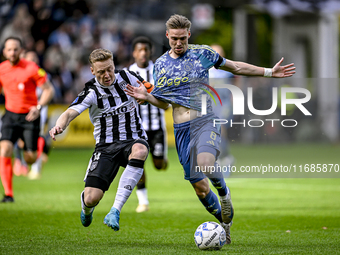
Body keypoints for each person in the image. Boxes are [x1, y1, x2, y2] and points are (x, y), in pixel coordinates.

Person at [125, 14, 296, 244]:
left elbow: (234, 66)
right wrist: (147, 97)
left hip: (205, 119)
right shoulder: (162, 66)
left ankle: (224, 193)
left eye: (182, 38)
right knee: (201, 189)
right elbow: (164, 103)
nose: (178, 43)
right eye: (174, 38)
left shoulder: (202, 53)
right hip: (181, 129)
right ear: (167, 36)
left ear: (189, 35)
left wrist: (268, 71)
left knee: (206, 163)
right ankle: (224, 224)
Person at [49, 48, 150, 231]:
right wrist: (59, 126)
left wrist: (147, 93)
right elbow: (70, 112)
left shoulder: (127, 76)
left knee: (141, 150)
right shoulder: (91, 91)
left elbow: (150, 88)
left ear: (113, 65)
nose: (107, 75)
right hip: (106, 147)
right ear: (92, 71)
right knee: (91, 198)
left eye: (109, 69)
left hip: (133, 139)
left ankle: (115, 211)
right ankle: (86, 210)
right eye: (101, 71)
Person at [0, 37, 55, 203]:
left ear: (21, 50)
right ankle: (8, 194)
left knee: (30, 158)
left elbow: (49, 90)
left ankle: (36, 148)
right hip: (10, 115)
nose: (12, 52)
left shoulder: (32, 68)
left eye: (15, 49)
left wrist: (38, 107)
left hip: (30, 116)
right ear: (4, 51)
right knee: (4, 150)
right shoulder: (1, 69)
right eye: (9, 49)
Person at [127, 36, 168, 213]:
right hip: (136, 129)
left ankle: (162, 161)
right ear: (134, 53)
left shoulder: (159, 72)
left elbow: (166, 98)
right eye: (140, 50)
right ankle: (143, 201)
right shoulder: (127, 73)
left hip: (157, 127)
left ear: (150, 52)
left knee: (158, 165)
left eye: (146, 50)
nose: (143, 53)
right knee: (138, 162)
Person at [13, 50, 53, 180]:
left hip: (38, 108)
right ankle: (23, 163)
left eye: (34, 59)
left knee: (36, 137)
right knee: (21, 139)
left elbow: (47, 90)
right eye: (30, 59)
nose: (32, 61)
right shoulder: (20, 72)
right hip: (22, 108)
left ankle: (35, 167)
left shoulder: (40, 73)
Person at [209, 44, 236, 178]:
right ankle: (225, 158)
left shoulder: (227, 71)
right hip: (211, 106)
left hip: (224, 105)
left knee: (220, 130)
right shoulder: (206, 71)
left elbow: (235, 85)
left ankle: (223, 160)